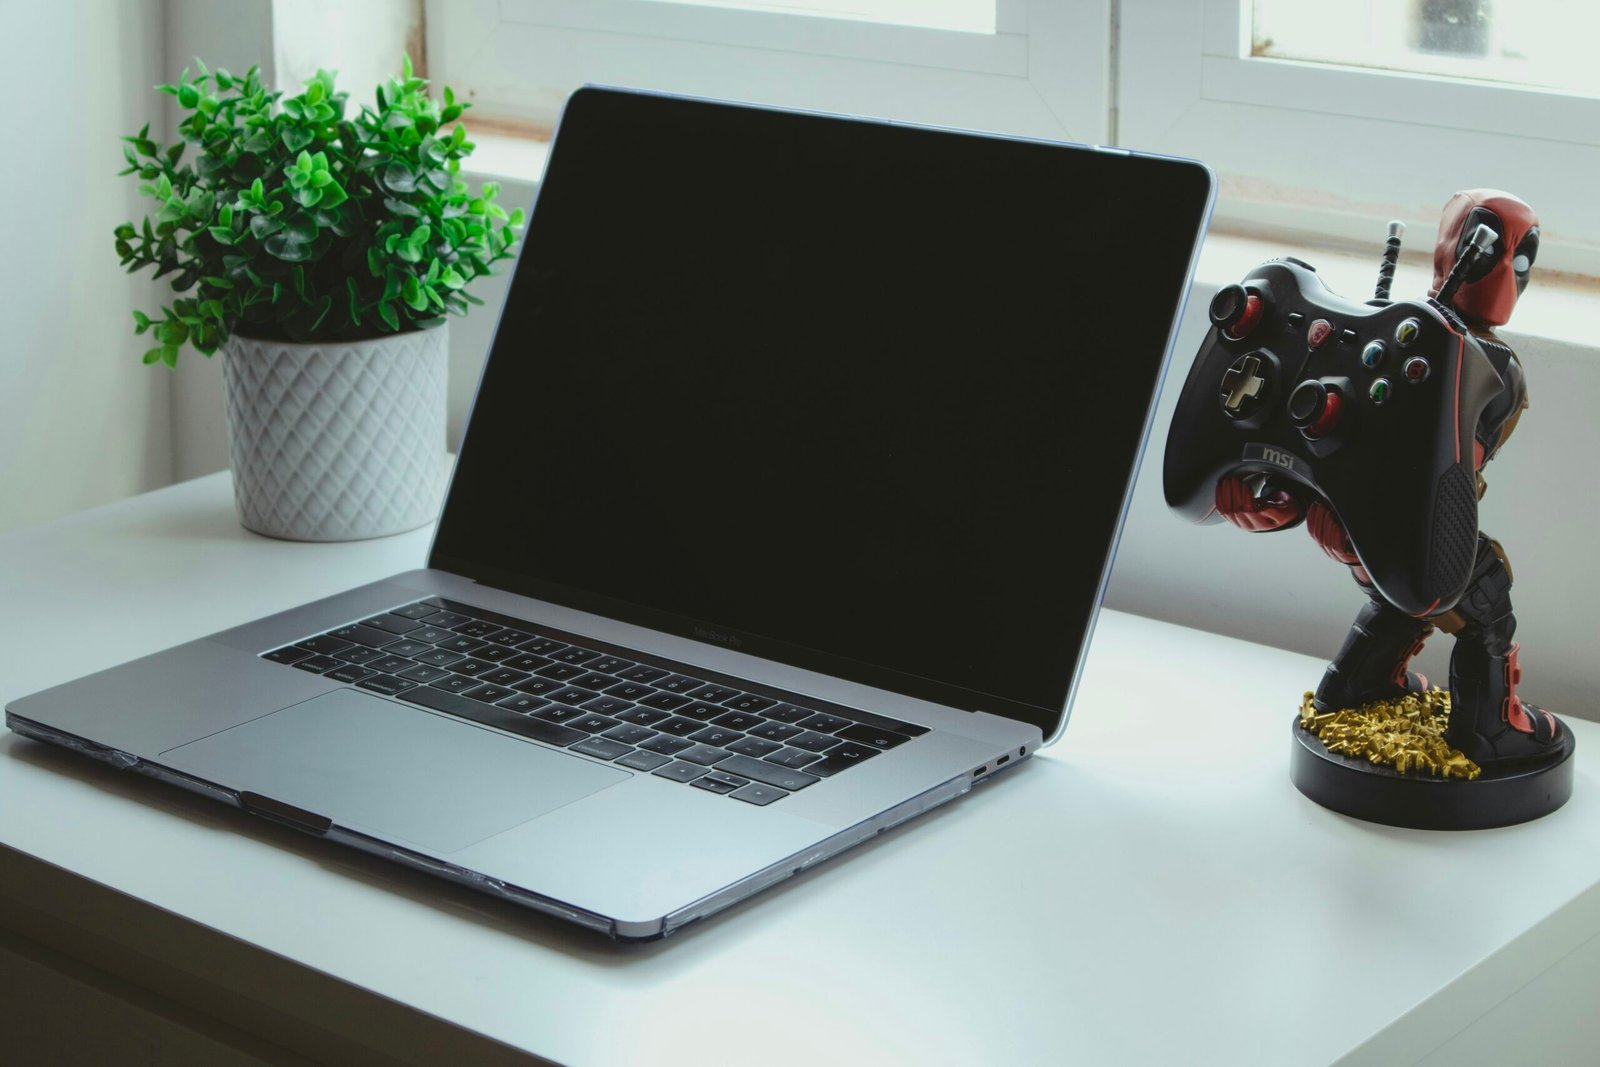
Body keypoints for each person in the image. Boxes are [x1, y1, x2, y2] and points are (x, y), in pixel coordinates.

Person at [1214, 190, 1560, 766]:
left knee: (1406, 592)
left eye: (1520, 258)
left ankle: (1356, 684)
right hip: (1391, 524)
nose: (1505, 272)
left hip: (1372, 527)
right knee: (1484, 588)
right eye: (1486, 248)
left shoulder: (1418, 338)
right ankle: (1491, 730)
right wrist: (1282, 493)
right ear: (1450, 250)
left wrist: (1303, 504)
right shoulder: (1462, 356)